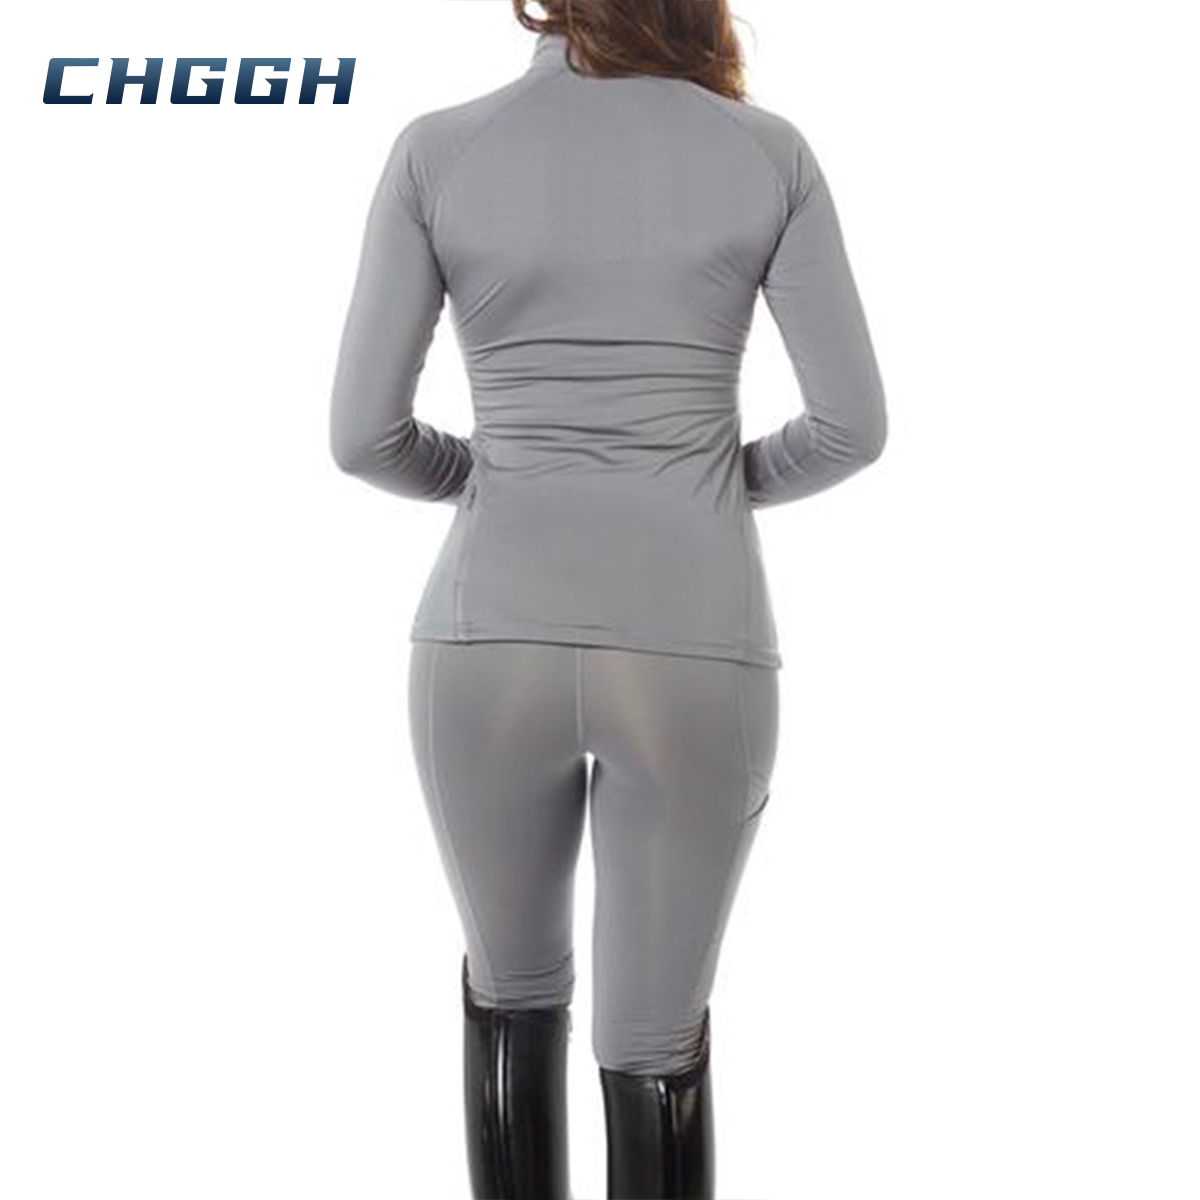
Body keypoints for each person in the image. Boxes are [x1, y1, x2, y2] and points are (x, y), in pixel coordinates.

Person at [328, 1, 888, 1196]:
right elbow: (852, 429)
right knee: (654, 1038)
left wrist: (491, 479)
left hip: (486, 638)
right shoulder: (766, 154)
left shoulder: (440, 149)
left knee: (510, 989)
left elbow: (363, 439)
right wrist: (705, 488)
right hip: (694, 642)